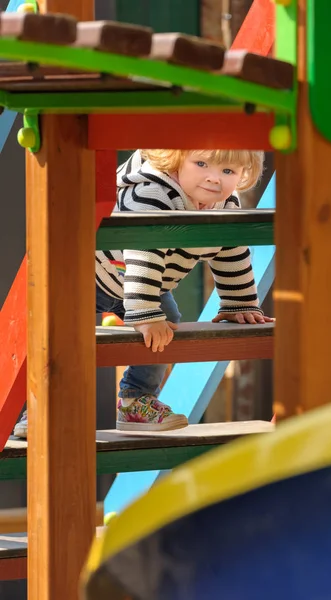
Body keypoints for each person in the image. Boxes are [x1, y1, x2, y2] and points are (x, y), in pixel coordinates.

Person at [13, 148, 273, 438]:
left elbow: (232, 252)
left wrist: (240, 302)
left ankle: (136, 401)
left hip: (145, 285)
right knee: (64, 337)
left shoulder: (225, 205)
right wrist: (147, 314)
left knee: (168, 323)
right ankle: (41, 408)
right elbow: (143, 248)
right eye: (201, 164)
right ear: (176, 161)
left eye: (229, 172)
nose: (214, 179)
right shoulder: (153, 193)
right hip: (87, 277)